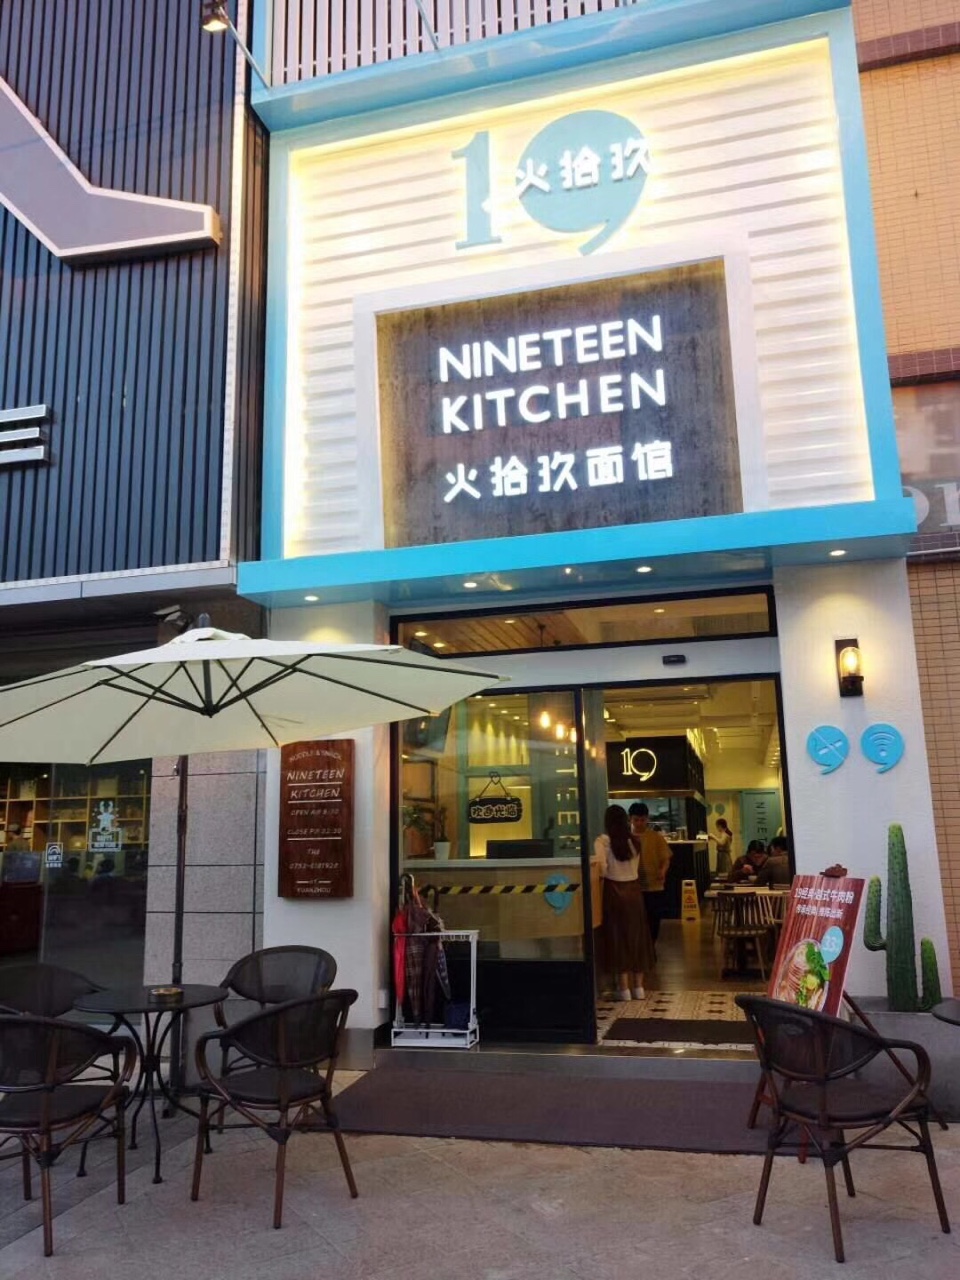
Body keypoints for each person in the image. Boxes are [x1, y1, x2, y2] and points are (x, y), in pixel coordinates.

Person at [592, 805, 655, 1002]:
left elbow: (601, 869)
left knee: (617, 937)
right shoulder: (634, 842)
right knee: (637, 936)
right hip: (634, 892)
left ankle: (624, 989)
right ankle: (639, 988)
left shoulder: (603, 842)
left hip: (613, 891)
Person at [628, 802, 672, 947]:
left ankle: (650, 945)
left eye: (642, 820)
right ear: (630, 819)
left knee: (653, 918)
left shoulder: (655, 837)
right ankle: (639, 947)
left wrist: (662, 871)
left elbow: (666, 858)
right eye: (636, 820)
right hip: (633, 886)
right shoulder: (626, 838)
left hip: (654, 885)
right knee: (635, 919)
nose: (639, 823)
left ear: (647, 819)